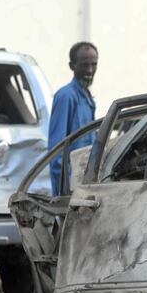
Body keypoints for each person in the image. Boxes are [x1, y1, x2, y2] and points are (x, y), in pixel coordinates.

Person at [48, 42, 98, 195]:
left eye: (93, 64)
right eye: (84, 65)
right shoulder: (66, 96)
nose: (89, 70)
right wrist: (64, 192)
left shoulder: (87, 97)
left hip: (85, 183)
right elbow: (56, 150)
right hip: (70, 187)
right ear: (72, 66)